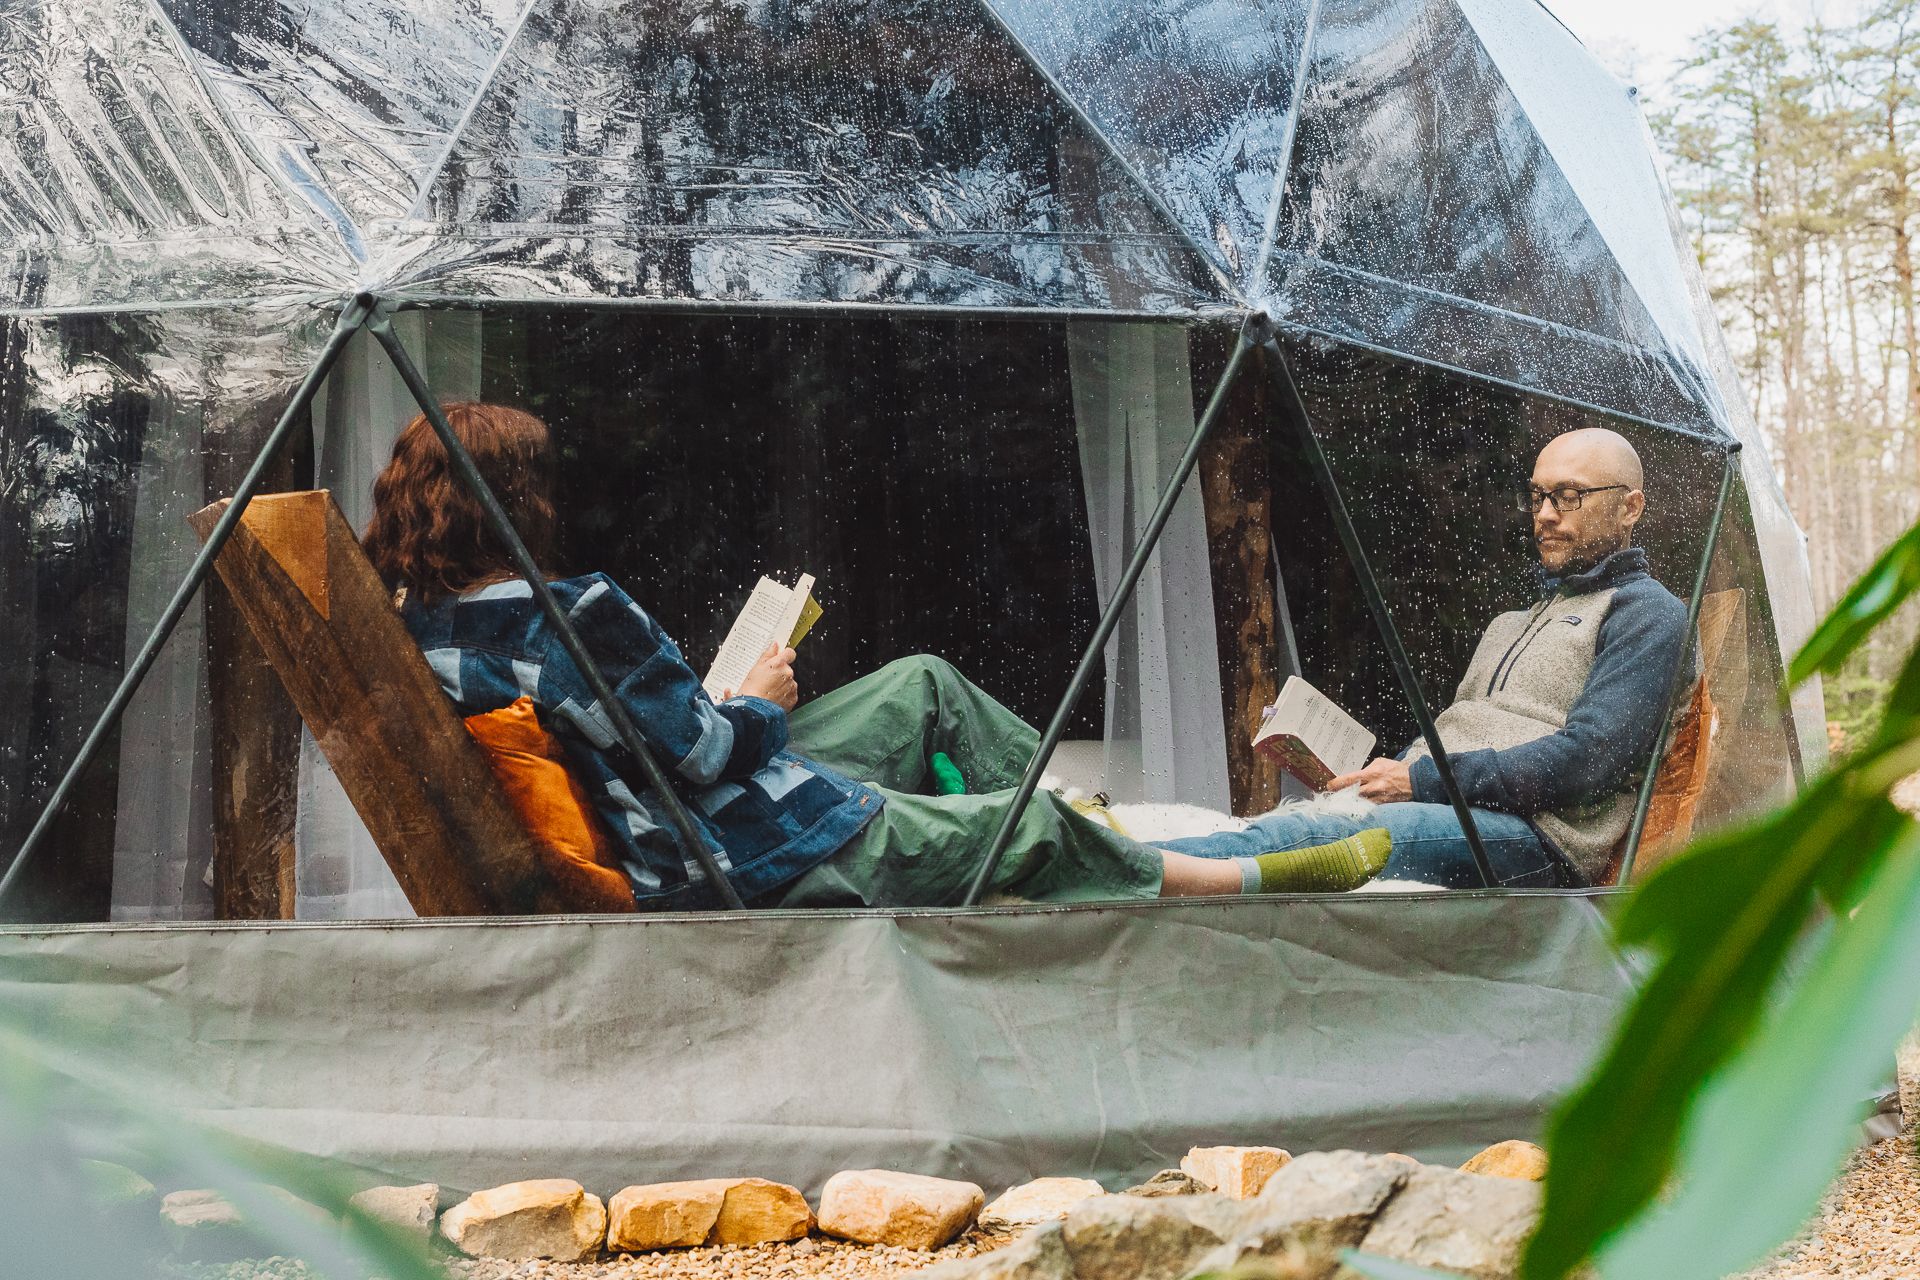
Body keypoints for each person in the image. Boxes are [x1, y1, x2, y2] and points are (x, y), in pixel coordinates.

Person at [362, 402, 1392, 911]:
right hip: (731, 845)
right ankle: (1240, 876)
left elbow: (637, 737)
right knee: (1023, 819)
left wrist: (715, 708)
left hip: (671, 806)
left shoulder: (430, 636)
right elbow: (711, 756)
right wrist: (754, 696)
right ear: (522, 499)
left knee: (921, 685)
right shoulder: (574, 608)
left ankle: (1110, 834)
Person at [1160, 427, 1689, 888]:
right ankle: (1144, 859)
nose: (1545, 516)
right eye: (1537, 496)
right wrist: (1372, 776)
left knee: (1328, 835)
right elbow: (1459, 736)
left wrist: (1420, 781)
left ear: (1630, 507)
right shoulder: (1512, 622)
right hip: (1449, 808)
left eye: (1569, 496)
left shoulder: (1647, 613)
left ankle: (1129, 869)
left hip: (1536, 838)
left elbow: (1587, 761)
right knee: (1299, 820)